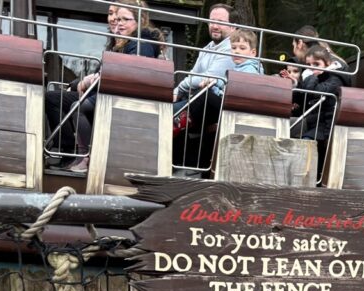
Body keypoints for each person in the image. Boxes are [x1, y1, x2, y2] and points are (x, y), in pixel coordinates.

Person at [44, 0, 162, 173]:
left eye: (125, 19)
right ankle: (67, 151)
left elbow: (127, 74)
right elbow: (104, 69)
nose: (118, 22)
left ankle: (85, 156)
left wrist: (92, 80)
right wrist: (81, 82)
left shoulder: (140, 43)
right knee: (53, 98)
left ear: (139, 21)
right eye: (116, 17)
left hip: (121, 97)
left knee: (79, 106)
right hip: (105, 91)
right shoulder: (121, 41)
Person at [172, 3, 234, 168]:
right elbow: (193, 75)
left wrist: (182, 88)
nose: (214, 26)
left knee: (200, 98)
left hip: (221, 102)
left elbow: (206, 78)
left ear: (233, 27)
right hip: (200, 98)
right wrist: (177, 91)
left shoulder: (231, 49)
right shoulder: (208, 48)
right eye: (211, 21)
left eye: (220, 22)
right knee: (176, 108)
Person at [300, 44, 349, 178]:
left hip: (327, 126)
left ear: (327, 64)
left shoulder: (336, 78)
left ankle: (308, 177)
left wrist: (310, 77)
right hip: (314, 122)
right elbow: (303, 96)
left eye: (316, 64)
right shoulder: (317, 76)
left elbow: (315, 92)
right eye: (309, 65)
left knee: (306, 142)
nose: (312, 68)